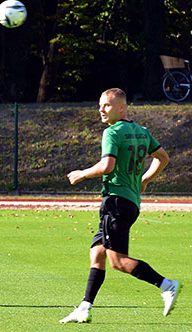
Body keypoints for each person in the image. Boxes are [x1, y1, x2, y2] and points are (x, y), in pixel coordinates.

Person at [59, 88, 181, 323]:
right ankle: (85, 307)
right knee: (97, 253)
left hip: (115, 201)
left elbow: (107, 166)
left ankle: (166, 285)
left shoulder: (112, 132)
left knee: (118, 261)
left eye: (106, 105)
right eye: (100, 105)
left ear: (122, 107)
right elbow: (163, 157)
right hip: (131, 202)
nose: (101, 110)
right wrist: (145, 179)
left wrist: (82, 174)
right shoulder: (141, 131)